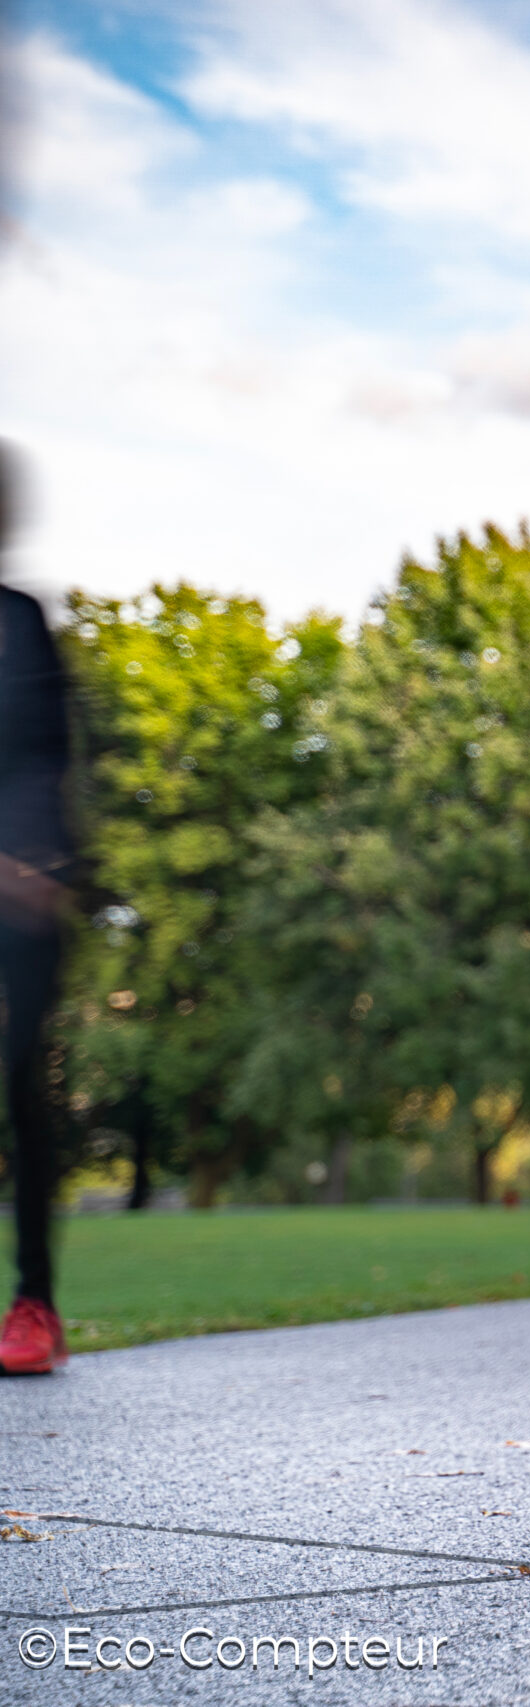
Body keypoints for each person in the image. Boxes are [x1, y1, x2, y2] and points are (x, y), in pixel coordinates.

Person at [0, 453, 73, 1378]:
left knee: (25, 1086)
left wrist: (47, 864)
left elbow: (54, 759)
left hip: (24, 895)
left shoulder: (23, 623)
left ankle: (36, 1303)